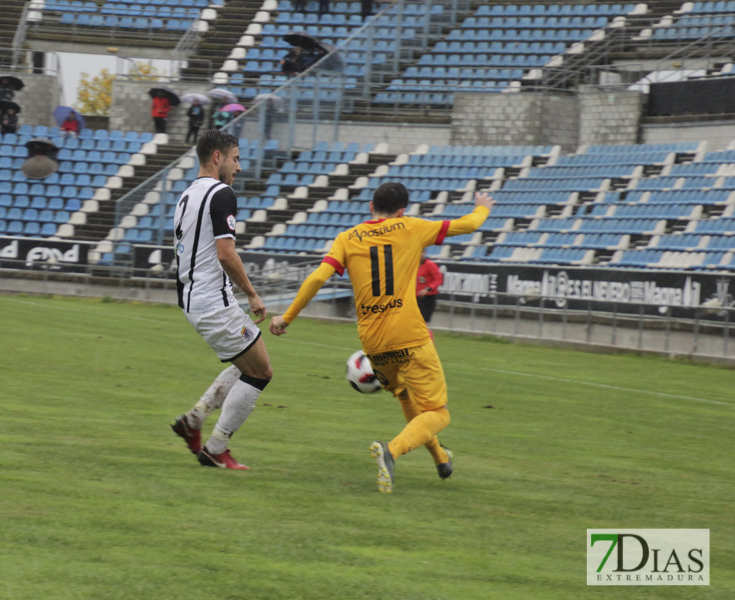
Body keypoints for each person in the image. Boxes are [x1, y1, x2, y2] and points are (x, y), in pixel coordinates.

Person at [269, 184, 495, 493]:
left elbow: (318, 277)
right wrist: (482, 206)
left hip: (373, 343)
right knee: (438, 413)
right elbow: (470, 224)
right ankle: (392, 450)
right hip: (410, 335)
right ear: (402, 211)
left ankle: (441, 458)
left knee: (404, 393)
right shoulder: (413, 227)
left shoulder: (347, 238)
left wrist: (286, 317)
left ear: (370, 206)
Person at [169, 129, 272, 470]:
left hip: (193, 298)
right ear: (217, 157)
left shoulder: (187, 195)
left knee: (246, 363)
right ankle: (216, 447)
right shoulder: (221, 193)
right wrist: (253, 294)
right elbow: (226, 254)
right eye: (235, 159)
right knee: (260, 372)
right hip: (213, 301)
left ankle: (195, 420)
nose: (238, 167)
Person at [416, 253, 442, 324]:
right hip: (414, 297)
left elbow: (438, 279)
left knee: (423, 320)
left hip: (427, 297)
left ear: (424, 253)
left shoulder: (430, 265)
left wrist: (427, 289)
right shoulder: (413, 265)